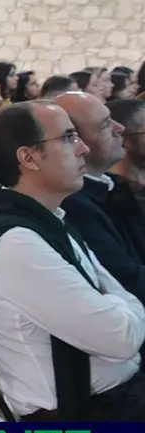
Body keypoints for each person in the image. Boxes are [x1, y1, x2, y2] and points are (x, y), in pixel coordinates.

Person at [0, 102, 145, 422]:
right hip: (90, 415)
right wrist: (123, 304)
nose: (83, 147)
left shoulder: (47, 220)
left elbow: (114, 294)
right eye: (69, 137)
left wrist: (116, 302)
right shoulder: (20, 244)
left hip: (116, 395)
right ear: (28, 157)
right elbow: (121, 337)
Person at [54, 93, 145, 304]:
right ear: (76, 142)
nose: (119, 128)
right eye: (105, 124)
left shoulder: (111, 186)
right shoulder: (74, 205)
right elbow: (126, 280)